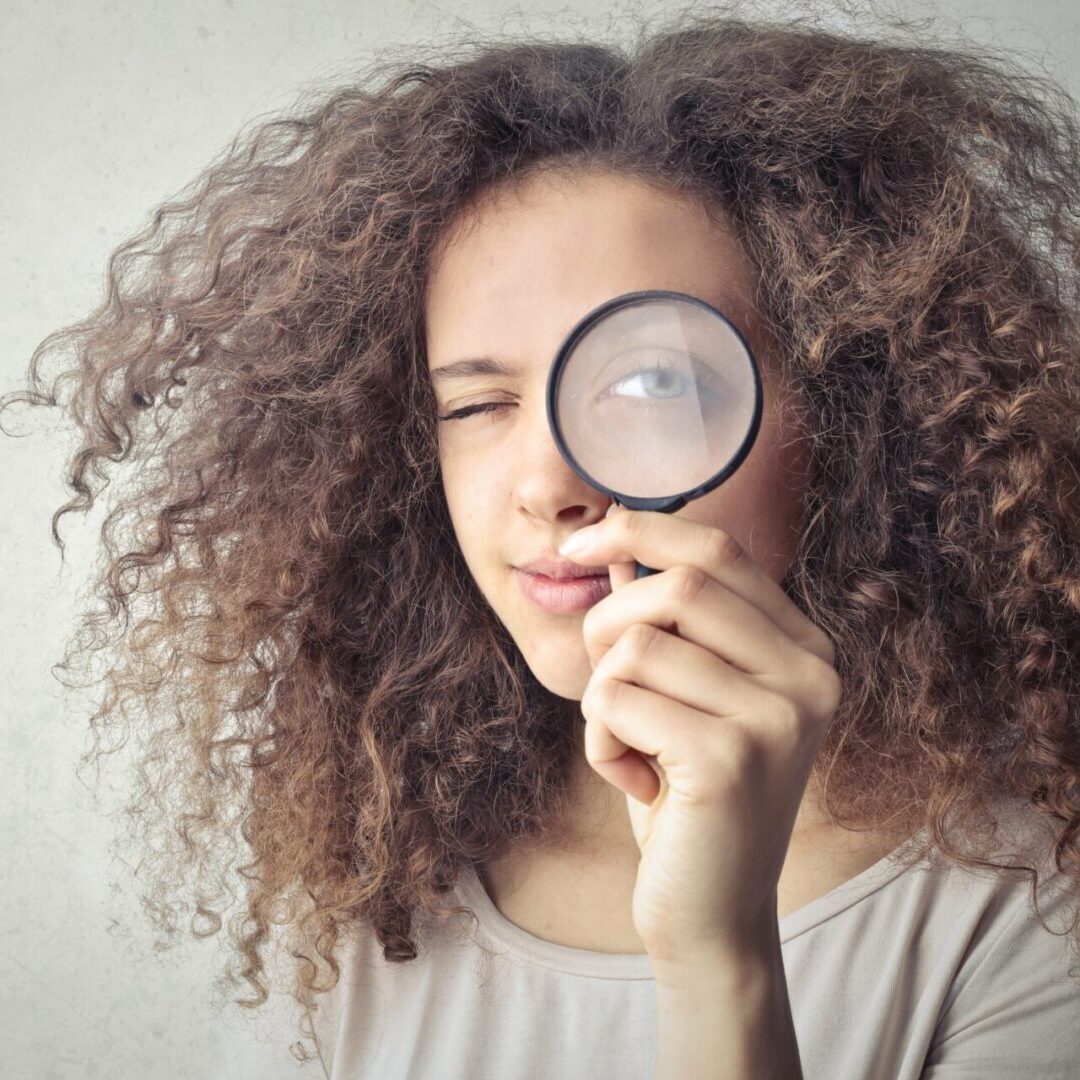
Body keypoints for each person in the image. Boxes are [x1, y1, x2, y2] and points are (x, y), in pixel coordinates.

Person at [5, 8, 1080, 1079]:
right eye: (478, 405)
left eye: (654, 381)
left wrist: (720, 955)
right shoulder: (361, 900)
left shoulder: (1031, 908)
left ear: (844, 416)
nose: (547, 484)